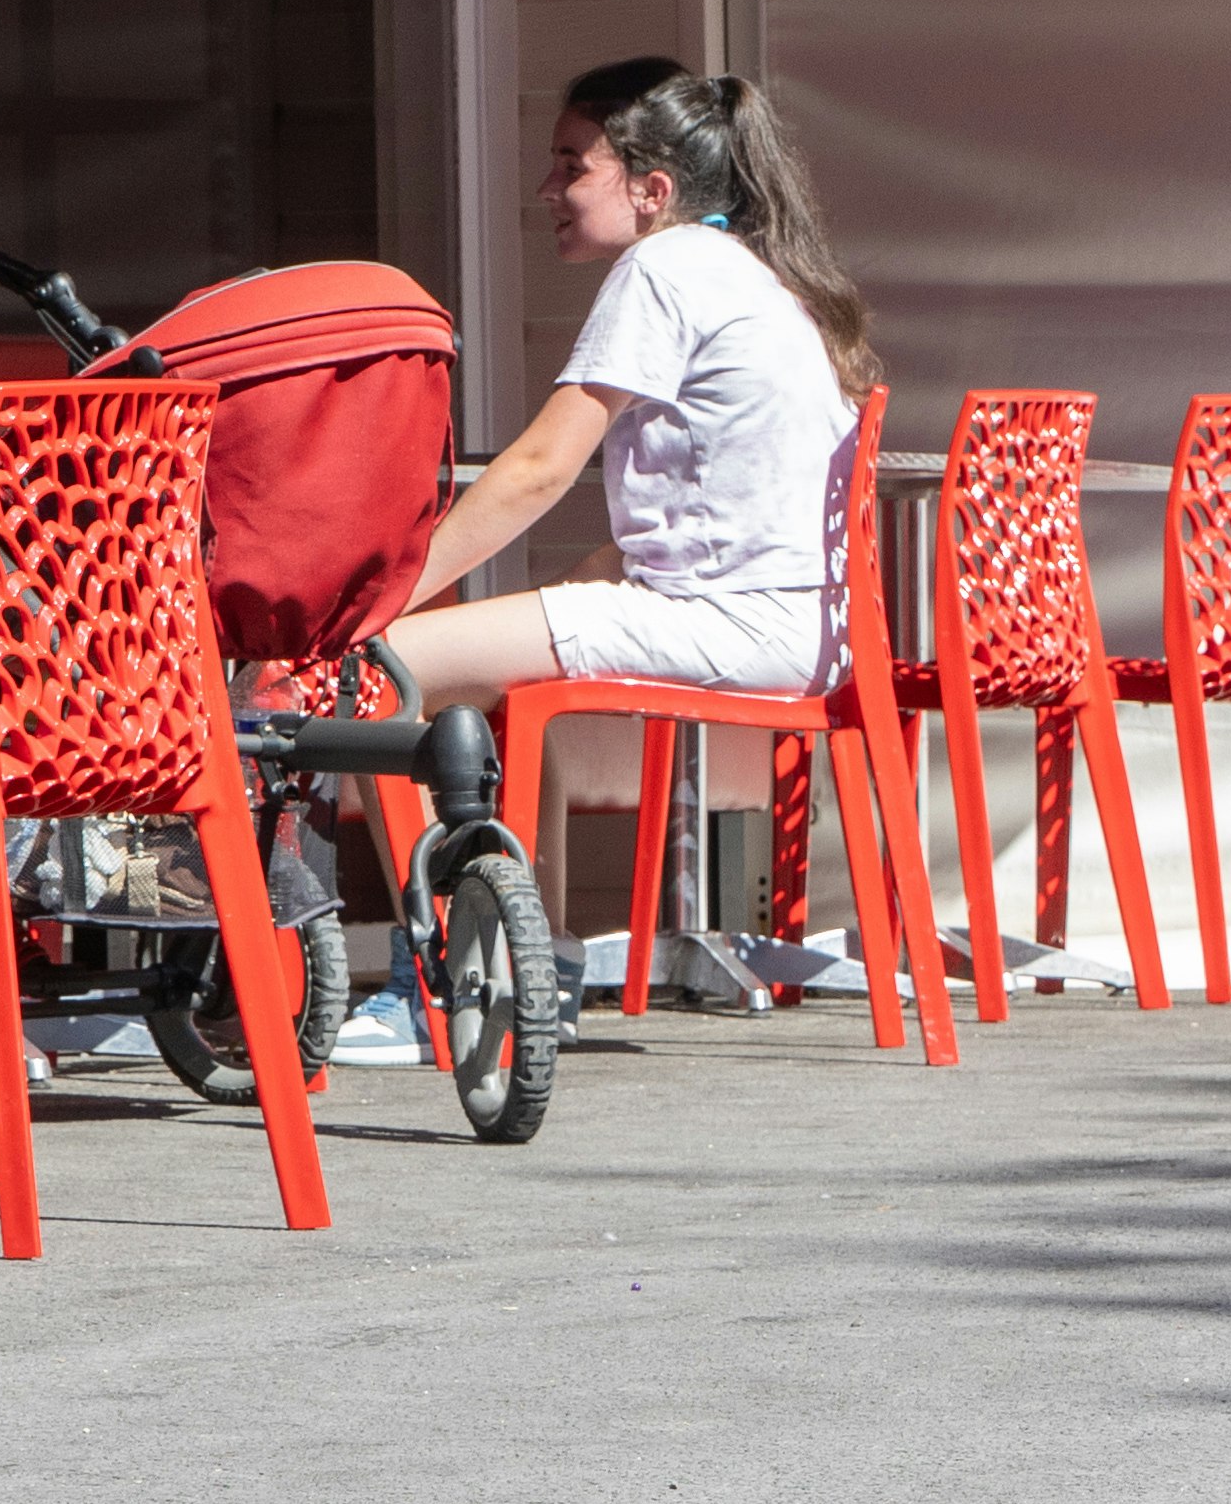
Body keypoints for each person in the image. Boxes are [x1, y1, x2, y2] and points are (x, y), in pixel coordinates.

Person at [368, 64, 879, 996]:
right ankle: (538, 960)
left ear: (653, 192)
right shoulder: (756, 276)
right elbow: (697, 516)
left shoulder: (663, 267)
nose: (546, 190)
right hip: (794, 628)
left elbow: (537, 469)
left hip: (726, 624)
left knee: (372, 668)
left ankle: (434, 987)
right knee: (491, 680)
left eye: (571, 164)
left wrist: (379, 595)